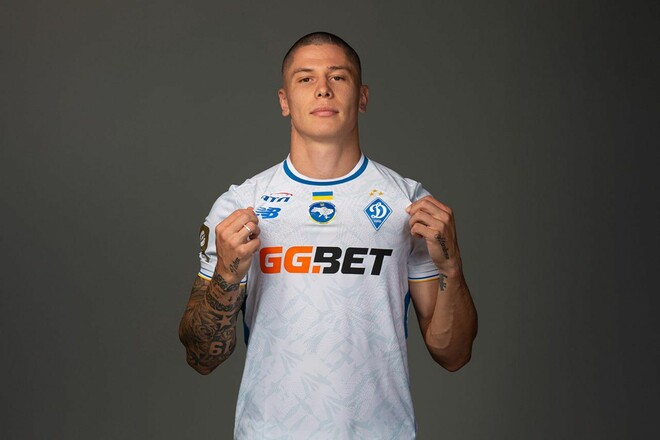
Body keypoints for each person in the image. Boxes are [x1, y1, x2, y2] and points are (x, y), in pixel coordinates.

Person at [179, 31, 478, 439]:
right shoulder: (240, 207)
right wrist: (227, 276)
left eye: (338, 77)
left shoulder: (408, 204)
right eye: (305, 79)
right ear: (284, 101)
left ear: (362, 97)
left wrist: (452, 268)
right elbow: (201, 357)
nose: (323, 89)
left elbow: (454, 354)